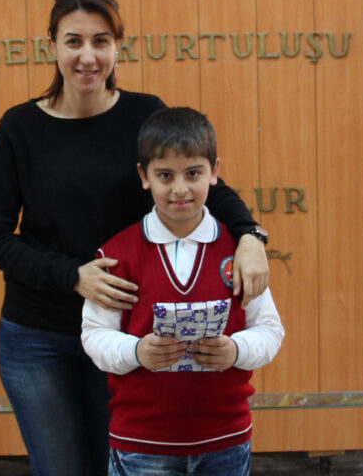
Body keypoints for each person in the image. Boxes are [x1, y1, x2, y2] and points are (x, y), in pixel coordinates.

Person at [0, 0, 270, 476]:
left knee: (118, 463)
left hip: (125, 328)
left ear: (117, 47)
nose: (87, 56)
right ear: (52, 46)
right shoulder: (19, 127)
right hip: (37, 336)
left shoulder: (142, 114)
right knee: (60, 468)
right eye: (73, 41)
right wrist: (73, 275)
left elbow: (202, 184)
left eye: (101, 41)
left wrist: (250, 236)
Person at [81, 107, 284, 476]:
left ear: (214, 172)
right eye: (165, 175)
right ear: (144, 176)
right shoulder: (116, 255)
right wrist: (137, 351)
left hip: (226, 439)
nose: (180, 189)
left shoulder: (240, 253)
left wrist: (236, 350)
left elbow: (270, 330)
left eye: (193, 173)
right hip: (141, 443)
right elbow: (94, 336)